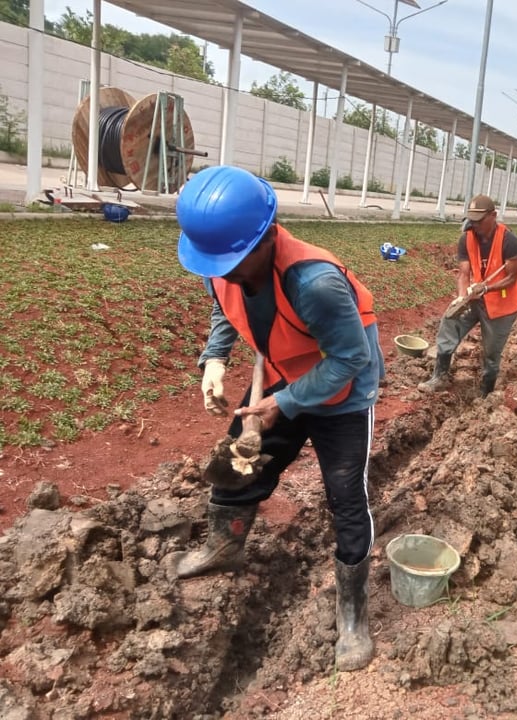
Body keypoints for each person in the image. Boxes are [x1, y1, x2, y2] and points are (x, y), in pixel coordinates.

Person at [169, 165, 384, 673]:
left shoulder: (315, 282)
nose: (225, 271)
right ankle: (224, 545)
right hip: (288, 370)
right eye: (217, 263)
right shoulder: (221, 259)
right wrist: (215, 360)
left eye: (235, 261)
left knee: (345, 495)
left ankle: (352, 611)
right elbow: (226, 307)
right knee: (237, 462)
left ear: (266, 237)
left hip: (343, 393)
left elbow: (351, 360)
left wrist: (283, 405)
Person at [418, 193, 517, 397]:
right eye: (471, 220)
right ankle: (439, 376)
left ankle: (486, 392)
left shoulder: (510, 241)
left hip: (502, 305)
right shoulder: (466, 238)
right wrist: (461, 296)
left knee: (491, 352)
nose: (474, 225)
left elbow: (511, 278)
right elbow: (464, 273)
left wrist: (486, 288)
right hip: (474, 297)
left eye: (479, 221)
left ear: (493, 215)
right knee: (450, 321)